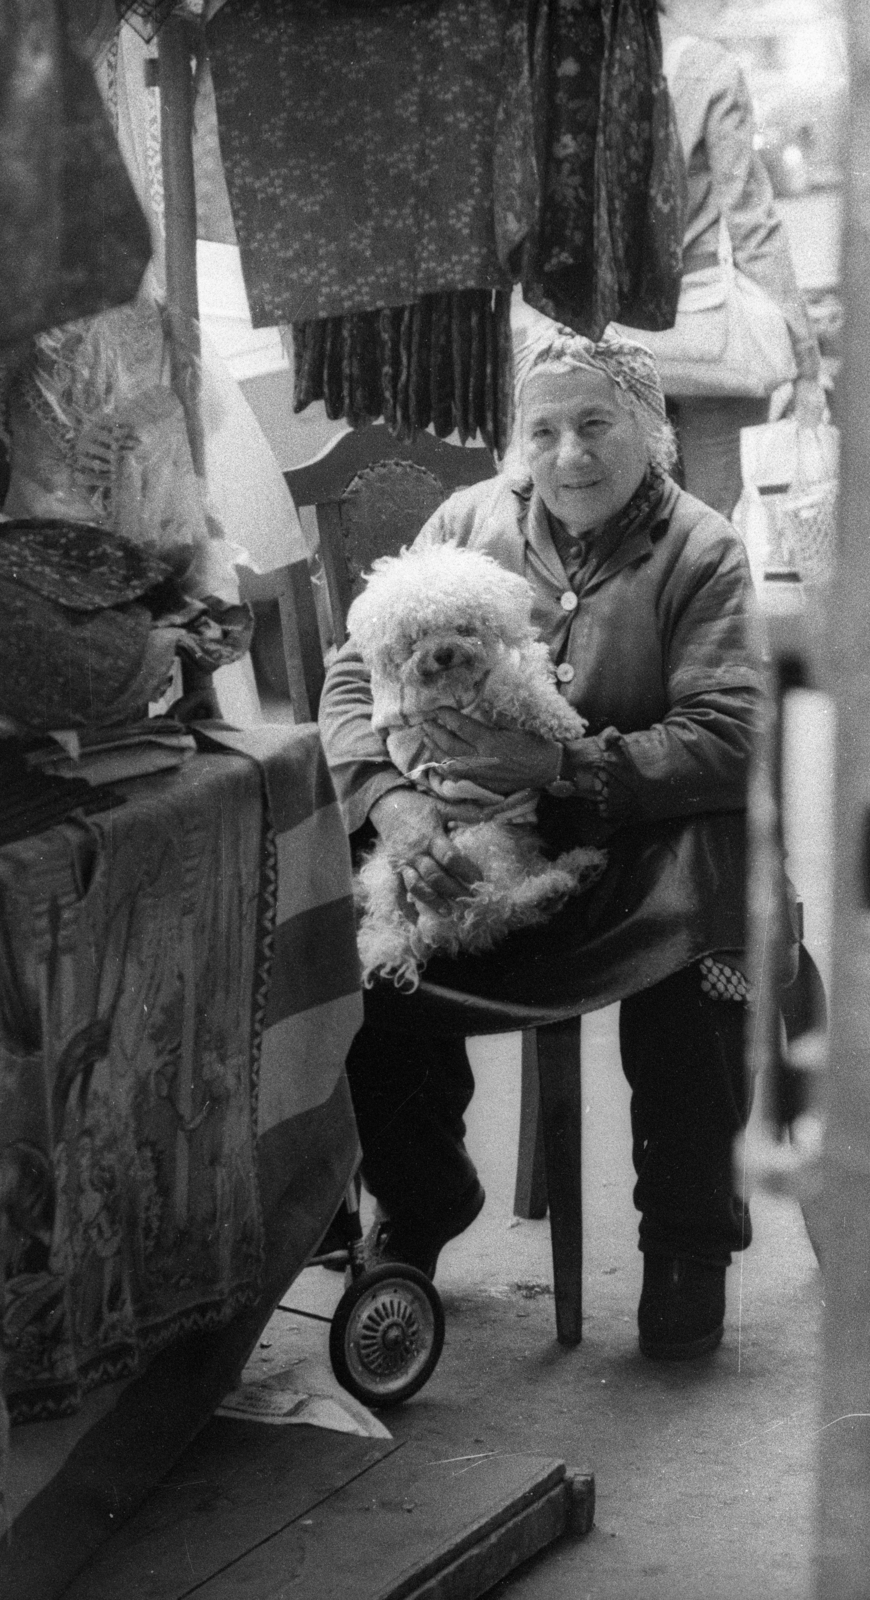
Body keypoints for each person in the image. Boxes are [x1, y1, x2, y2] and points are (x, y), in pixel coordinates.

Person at [318, 329, 787, 1361]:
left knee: (702, 951)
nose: (568, 453)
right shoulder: (466, 520)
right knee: (362, 955)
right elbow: (352, 681)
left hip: (640, 846)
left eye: (594, 424)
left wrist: (566, 773)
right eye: (543, 429)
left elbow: (733, 732)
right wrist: (398, 805)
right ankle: (424, 1197)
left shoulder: (702, 548)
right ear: (513, 443)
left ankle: (688, 1236)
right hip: (468, 835)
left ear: (652, 435)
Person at [645, 4, 825, 519]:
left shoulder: (572, 71)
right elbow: (750, 225)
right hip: (706, 328)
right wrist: (805, 362)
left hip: (607, 335)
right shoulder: (705, 66)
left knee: (625, 539)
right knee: (712, 525)